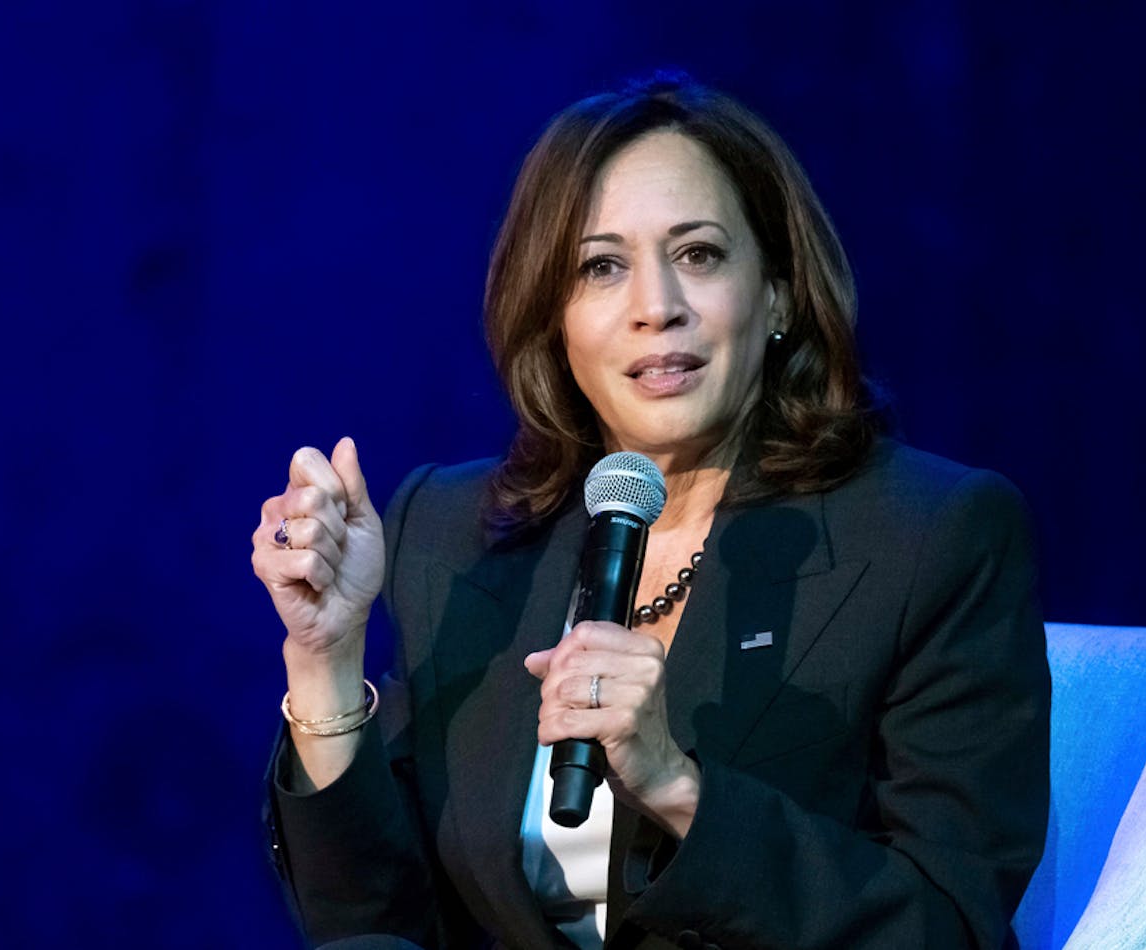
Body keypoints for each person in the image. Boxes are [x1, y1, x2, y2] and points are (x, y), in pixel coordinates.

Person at [252, 74, 1050, 950]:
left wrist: (678, 788)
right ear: (554, 317)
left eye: (699, 254)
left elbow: (950, 928)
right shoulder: (451, 531)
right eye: (602, 267)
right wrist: (324, 661)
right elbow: (372, 929)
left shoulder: (930, 535)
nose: (656, 308)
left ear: (777, 292)